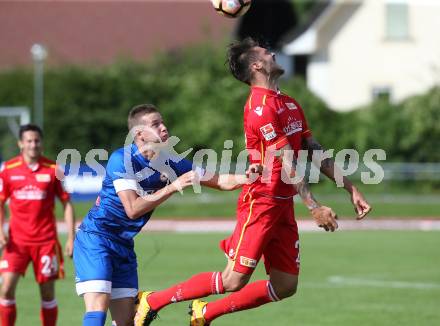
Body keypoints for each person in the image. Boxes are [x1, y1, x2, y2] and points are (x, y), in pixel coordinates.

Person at [134, 38, 372, 326]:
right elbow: (287, 160)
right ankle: (153, 300)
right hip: (260, 203)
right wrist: (314, 206)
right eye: (265, 52)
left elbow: (314, 150)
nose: (272, 53)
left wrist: (351, 188)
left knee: (285, 285)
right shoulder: (260, 108)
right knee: (233, 279)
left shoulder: (289, 103)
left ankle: (205, 313)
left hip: (282, 206)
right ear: (257, 65)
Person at [73, 104, 258, 326]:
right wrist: (173, 186)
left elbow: (218, 180)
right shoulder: (122, 159)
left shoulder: (171, 161)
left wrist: (246, 177)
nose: (163, 127)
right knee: (97, 311)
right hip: (96, 238)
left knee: (126, 322)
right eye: (155, 124)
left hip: (123, 246)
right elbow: (132, 209)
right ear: (138, 134)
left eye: (162, 122)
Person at [0, 124, 76, 326]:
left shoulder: (53, 170)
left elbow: (67, 203)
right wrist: (0, 231)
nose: (33, 144)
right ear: (20, 144)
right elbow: (0, 202)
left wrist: (71, 237)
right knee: (6, 288)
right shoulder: (8, 169)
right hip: (16, 242)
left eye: (37, 141)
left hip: (45, 242)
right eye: (29, 141)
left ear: (41, 143)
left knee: (48, 292)